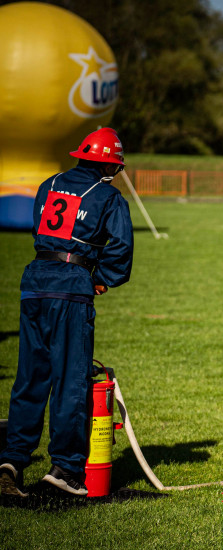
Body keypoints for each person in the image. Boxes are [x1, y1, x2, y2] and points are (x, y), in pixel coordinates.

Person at [0, 127, 133, 497]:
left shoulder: (49, 183)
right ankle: (65, 470)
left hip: (34, 283)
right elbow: (121, 249)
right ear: (109, 165)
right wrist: (101, 279)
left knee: (30, 377)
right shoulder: (109, 196)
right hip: (70, 288)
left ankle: (10, 461)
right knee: (70, 381)